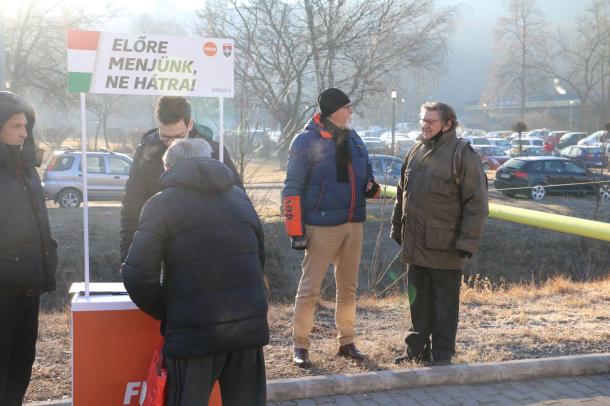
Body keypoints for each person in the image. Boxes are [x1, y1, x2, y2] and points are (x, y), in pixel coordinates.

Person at [121, 138, 268, 406]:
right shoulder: (239, 196)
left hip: (194, 335)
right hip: (247, 327)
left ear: (167, 168)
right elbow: (259, 259)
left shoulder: (161, 204)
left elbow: (137, 276)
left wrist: (168, 310)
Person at [282, 88, 379, 368]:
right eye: (348, 107)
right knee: (310, 289)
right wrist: (295, 230)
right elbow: (291, 188)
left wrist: (371, 188)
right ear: (333, 110)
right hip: (320, 226)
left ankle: (347, 341)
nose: (351, 112)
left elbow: (367, 177)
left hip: (353, 224)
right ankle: (300, 346)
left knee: (348, 287)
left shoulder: (355, 138)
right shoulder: (305, 141)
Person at [391, 101, 487, 366]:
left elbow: (477, 204)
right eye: (423, 120)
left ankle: (442, 355)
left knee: (444, 305)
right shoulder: (415, 151)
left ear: (448, 124)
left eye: (431, 121)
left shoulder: (463, 155)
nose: (425, 125)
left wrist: (467, 242)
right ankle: (417, 351)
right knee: (418, 303)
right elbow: (402, 194)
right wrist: (397, 227)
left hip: (446, 247)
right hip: (415, 244)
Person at [120, 96, 242, 261]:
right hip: (161, 249)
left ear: (190, 124)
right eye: (164, 137)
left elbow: (239, 202)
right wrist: (127, 257)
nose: (170, 144)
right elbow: (131, 208)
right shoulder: (145, 154)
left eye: (177, 137)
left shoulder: (215, 153)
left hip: (210, 248)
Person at [0, 91, 57, 405]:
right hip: (2, 294)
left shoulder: (27, 171)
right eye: (15, 126)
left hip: (27, 289)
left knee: (19, 375)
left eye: (26, 126)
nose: (23, 133)